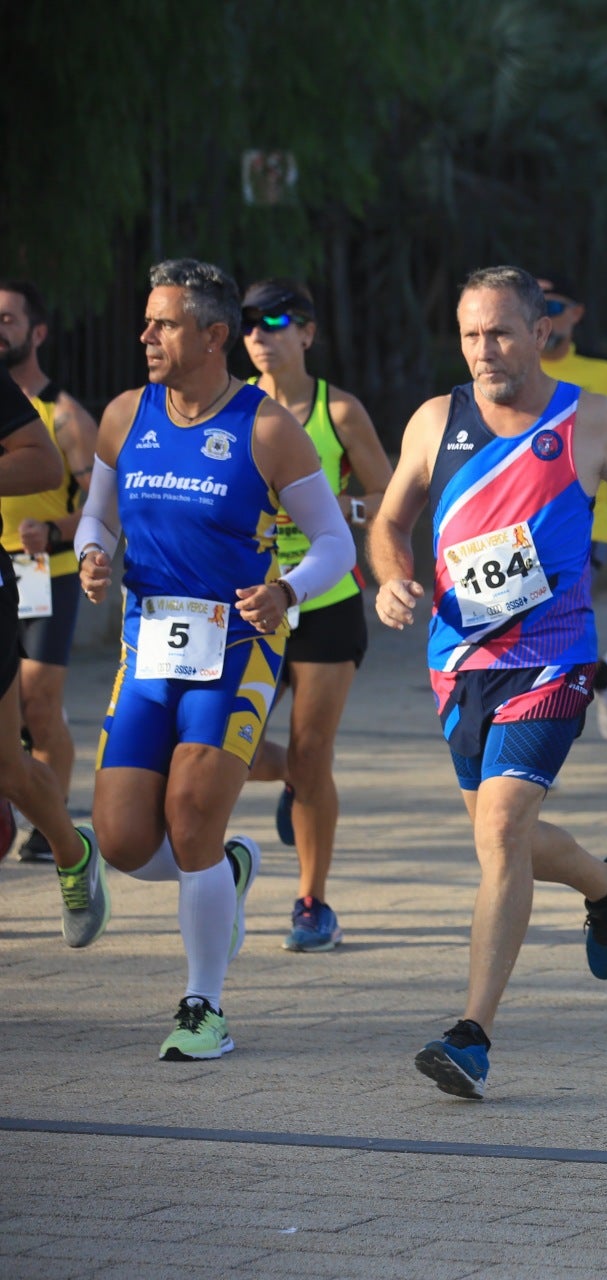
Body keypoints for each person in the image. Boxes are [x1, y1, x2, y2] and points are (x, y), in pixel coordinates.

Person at [369, 265, 607, 1099]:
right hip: (458, 662)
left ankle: (472, 1034)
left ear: (540, 331)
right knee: (498, 833)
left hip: (552, 656)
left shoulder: (590, 419)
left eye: (500, 332)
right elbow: (390, 520)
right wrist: (392, 577)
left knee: (502, 829)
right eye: (471, 335)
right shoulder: (438, 421)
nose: (483, 350)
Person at [77, 258, 356, 1058]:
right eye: (147, 320)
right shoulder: (126, 415)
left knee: (192, 816)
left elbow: (335, 540)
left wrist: (290, 592)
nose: (146, 336)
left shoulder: (266, 427)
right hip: (148, 647)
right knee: (127, 840)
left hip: (236, 647)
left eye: (163, 323)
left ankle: (204, 1005)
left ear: (213, 336)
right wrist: (95, 555)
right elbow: (95, 518)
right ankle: (225, 873)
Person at [229, 278, 391, 953]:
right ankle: (298, 787)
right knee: (217, 749)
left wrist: (338, 516)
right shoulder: (229, 408)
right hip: (247, 604)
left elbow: (385, 493)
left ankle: (311, 901)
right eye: (248, 324)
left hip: (324, 600)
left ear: (307, 333)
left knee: (312, 749)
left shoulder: (338, 411)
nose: (261, 335)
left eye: (275, 320)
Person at [0, 280, 98, 861]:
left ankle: (50, 822)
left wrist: (56, 530)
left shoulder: (63, 417)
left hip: (44, 569)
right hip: (2, 561)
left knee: (38, 703)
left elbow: (103, 508)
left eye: (9, 319)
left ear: (36, 332)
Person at [537, 273, 607, 742]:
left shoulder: (601, 375)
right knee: (536, 628)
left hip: (588, 522)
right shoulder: (517, 374)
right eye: (536, 306)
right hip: (519, 528)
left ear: (577, 313)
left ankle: (530, 742)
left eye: (555, 305)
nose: (546, 315)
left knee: (547, 624)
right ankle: (603, 678)